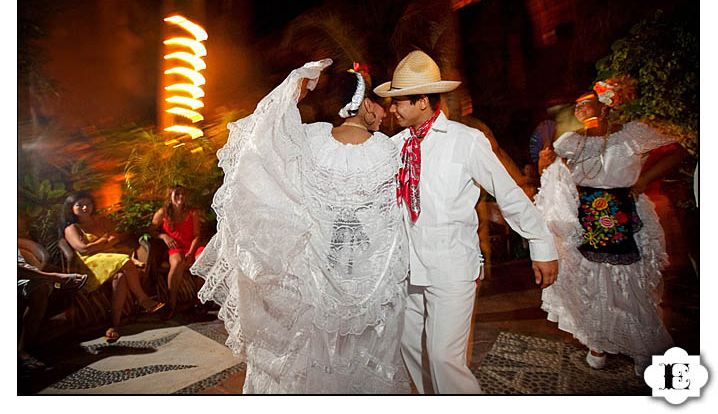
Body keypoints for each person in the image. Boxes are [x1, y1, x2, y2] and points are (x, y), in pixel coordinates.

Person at [191, 60, 410, 394]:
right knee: (364, 356)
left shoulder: (312, 142)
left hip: (317, 279)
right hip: (371, 277)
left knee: (316, 356)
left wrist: (293, 90)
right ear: (366, 104)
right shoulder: (389, 151)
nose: (385, 114)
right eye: (380, 107)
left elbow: (263, 144)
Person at [374, 50, 558, 394]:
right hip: (407, 269)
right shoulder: (394, 146)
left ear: (424, 101)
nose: (393, 109)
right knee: (411, 350)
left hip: (452, 266)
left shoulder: (464, 140)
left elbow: (508, 193)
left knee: (444, 358)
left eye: (399, 101)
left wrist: (541, 243)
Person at [536, 75, 688, 375]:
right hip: (587, 219)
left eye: (586, 102)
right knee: (590, 283)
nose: (579, 109)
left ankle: (645, 351)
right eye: (576, 105)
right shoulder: (571, 142)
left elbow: (682, 144)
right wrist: (544, 163)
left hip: (623, 216)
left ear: (605, 105)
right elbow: (553, 179)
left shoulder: (631, 135)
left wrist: (644, 179)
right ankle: (597, 345)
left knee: (627, 283)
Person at [60, 192, 164, 342]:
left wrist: (95, 244)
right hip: (89, 263)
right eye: (79, 205)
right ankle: (142, 298)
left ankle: (114, 325)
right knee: (126, 261)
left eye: (87, 204)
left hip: (110, 257)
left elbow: (114, 238)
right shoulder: (72, 228)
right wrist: (102, 240)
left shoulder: (101, 221)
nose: (84, 207)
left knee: (120, 277)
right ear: (71, 208)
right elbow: (83, 250)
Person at [18, 238, 87, 375]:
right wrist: (55, 276)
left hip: (26, 275)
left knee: (41, 288)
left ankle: (24, 348)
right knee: (47, 282)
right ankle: (21, 354)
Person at [149, 185, 204, 320]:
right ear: (170, 196)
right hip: (176, 247)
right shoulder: (163, 213)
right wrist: (164, 236)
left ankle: (198, 301)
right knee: (178, 262)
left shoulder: (193, 213)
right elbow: (151, 230)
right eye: (177, 194)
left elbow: (197, 235)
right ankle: (171, 303)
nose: (181, 197)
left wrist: (191, 253)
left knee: (203, 262)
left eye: (183, 194)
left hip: (192, 246)